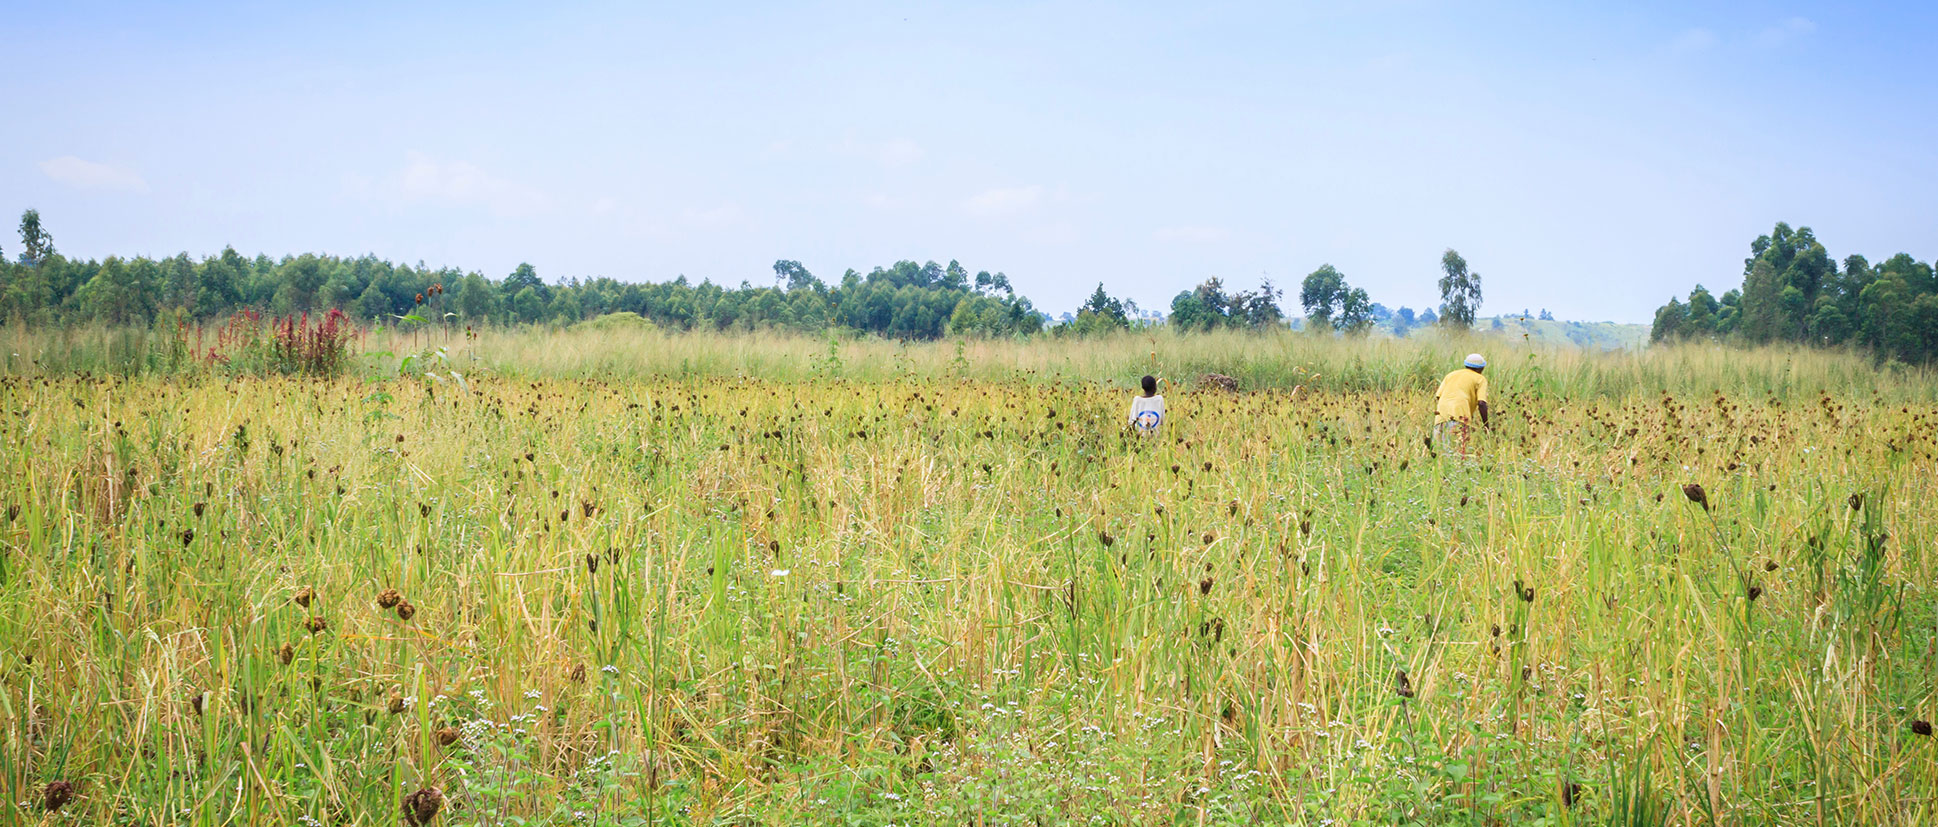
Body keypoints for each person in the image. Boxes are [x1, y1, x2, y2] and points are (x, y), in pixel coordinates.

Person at [1431, 353, 1489, 454]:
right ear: (1482, 368)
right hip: (1459, 417)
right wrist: (1486, 426)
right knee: (1455, 455)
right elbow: (1481, 404)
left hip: (1440, 417)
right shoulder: (1480, 379)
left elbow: (1438, 396)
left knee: (1438, 454)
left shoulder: (1451, 375)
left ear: (1466, 365)